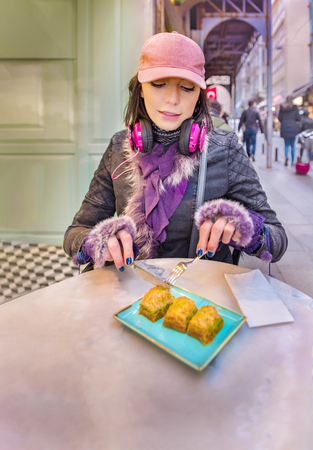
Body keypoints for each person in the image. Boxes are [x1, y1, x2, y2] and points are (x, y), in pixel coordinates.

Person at [63, 32, 287, 274]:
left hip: (205, 296)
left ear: (199, 98)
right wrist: (97, 242)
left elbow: (277, 241)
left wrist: (248, 228)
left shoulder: (226, 149)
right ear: (140, 90)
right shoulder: (119, 148)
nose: (172, 99)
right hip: (131, 299)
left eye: (187, 88)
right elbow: (75, 234)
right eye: (158, 84)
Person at [278, 96, 301, 167]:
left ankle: (286, 157)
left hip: (285, 127)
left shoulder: (282, 109)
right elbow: (298, 118)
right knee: (293, 145)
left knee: (286, 145)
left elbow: (279, 118)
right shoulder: (295, 108)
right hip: (293, 128)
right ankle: (292, 161)